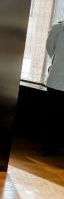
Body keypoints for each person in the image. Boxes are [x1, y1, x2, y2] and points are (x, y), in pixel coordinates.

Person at [43, 22, 64, 155]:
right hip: (56, 81)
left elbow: (51, 49)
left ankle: (53, 146)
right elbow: (50, 49)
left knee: (54, 116)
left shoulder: (59, 28)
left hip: (56, 78)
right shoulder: (58, 28)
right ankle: (50, 147)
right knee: (53, 116)